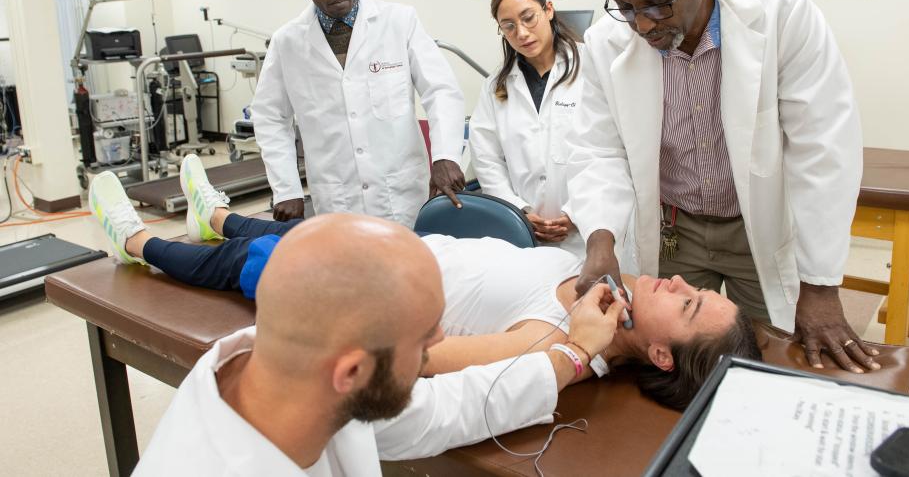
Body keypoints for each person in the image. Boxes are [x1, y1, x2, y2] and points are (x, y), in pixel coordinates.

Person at [88, 155, 758, 411]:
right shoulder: (603, 281)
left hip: (359, 293)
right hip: (394, 248)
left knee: (252, 263)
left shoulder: (560, 344)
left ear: (663, 354)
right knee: (292, 232)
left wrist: (578, 351)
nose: (674, 279)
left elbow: (425, 360)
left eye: (689, 300)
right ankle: (215, 213)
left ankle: (136, 239)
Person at [89, 173, 625, 475]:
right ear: (352, 371)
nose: (439, 343)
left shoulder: (293, 378)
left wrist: (575, 355)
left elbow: (446, 407)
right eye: (424, 337)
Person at [567, 0, 880, 374]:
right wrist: (599, 240)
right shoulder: (606, 40)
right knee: (675, 363)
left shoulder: (780, 11)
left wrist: (819, 287)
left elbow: (823, 147)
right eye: (626, 7)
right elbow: (597, 148)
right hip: (677, 231)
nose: (643, 25)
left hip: (758, 227)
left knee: (779, 350)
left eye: (657, 3)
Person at [253, 0, 466, 228]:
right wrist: (286, 188)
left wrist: (445, 155)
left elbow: (440, 90)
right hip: (337, 196)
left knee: (410, 269)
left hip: (402, 194)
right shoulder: (287, 42)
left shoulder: (399, 21)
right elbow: (270, 116)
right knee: (349, 271)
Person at [469, 0, 596, 261]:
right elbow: (487, 160)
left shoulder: (591, 67)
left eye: (529, 18)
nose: (522, 33)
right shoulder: (495, 87)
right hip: (527, 235)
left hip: (588, 231)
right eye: (509, 26)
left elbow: (610, 150)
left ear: (548, 9)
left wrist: (577, 212)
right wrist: (518, 210)